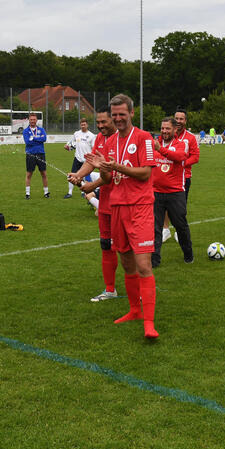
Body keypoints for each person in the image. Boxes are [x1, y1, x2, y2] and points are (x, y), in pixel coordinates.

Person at [84, 94, 159, 338]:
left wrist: (115, 166)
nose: (117, 119)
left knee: (143, 264)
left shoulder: (144, 138)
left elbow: (145, 173)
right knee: (126, 262)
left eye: (121, 115)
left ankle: (149, 324)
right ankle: (134, 310)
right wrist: (101, 172)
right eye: (114, 115)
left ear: (131, 114)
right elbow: (107, 179)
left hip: (140, 207)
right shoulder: (108, 142)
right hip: (116, 207)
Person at [68, 109, 119, 302]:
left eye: (104, 122)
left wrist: (91, 185)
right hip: (106, 201)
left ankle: (139, 290)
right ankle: (110, 289)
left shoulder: (123, 139)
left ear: (114, 120)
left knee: (128, 250)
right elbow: (91, 162)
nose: (100, 126)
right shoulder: (100, 139)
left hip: (124, 202)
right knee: (106, 245)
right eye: (98, 122)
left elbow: (111, 173)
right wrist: (79, 176)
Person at [151, 118, 194, 267]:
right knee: (155, 228)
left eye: (167, 129)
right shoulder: (154, 143)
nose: (164, 131)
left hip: (175, 193)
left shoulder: (181, 144)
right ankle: (154, 260)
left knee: (180, 226)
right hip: (155, 192)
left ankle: (188, 253)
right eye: (162, 128)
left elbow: (180, 157)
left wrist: (160, 150)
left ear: (175, 130)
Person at [161, 109, 201, 243]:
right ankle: (165, 230)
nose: (178, 121)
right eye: (176, 118)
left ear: (185, 121)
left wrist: (182, 164)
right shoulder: (165, 135)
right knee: (164, 205)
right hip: (164, 175)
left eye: (181, 119)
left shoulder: (190, 137)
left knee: (179, 207)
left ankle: (179, 231)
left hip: (183, 177)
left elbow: (195, 156)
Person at [65, 118, 96, 198]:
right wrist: (68, 146)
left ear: (87, 125)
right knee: (72, 175)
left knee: (85, 176)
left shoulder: (91, 136)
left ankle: (84, 192)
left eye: (84, 124)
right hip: (77, 158)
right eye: (81, 124)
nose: (83, 126)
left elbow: (94, 149)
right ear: (80, 125)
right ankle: (70, 193)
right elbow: (71, 143)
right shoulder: (76, 133)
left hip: (86, 160)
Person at [23, 113, 49, 198]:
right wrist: (38, 139)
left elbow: (44, 138)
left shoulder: (41, 129)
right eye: (31, 120)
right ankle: (27, 194)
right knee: (29, 174)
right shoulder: (26, 131)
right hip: (30, 154)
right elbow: (28, 142)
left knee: (44, 173)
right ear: (29, 120)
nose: (33, 121)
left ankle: (46, 192)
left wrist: (34, 138)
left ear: (36, 120)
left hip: (41, 153)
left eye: (34, 119)